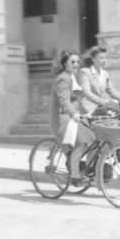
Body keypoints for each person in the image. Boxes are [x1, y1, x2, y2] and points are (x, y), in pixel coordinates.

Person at [49, 49, 94, 186]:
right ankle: (75, 174)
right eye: (72, 62)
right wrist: (74, 114)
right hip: (63, 118)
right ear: (64, 64)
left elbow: (77, 101)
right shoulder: (63, 78)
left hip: (73, 117)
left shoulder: (73, 77)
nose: (76, 64)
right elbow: (64, 101)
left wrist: (89, 113)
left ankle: (86, 168)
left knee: (94, 136)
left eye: (77, 62)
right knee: (83, 142)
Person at [78, 45, 120, 115]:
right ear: (93, 59)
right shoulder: (85, 72)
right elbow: (87, 93)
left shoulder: (105, 74)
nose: (104, 60)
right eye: (101, 58)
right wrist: (103, 102)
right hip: (89, 107)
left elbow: (112, 91)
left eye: (105, 58)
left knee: (119, 115)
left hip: (101, 107)